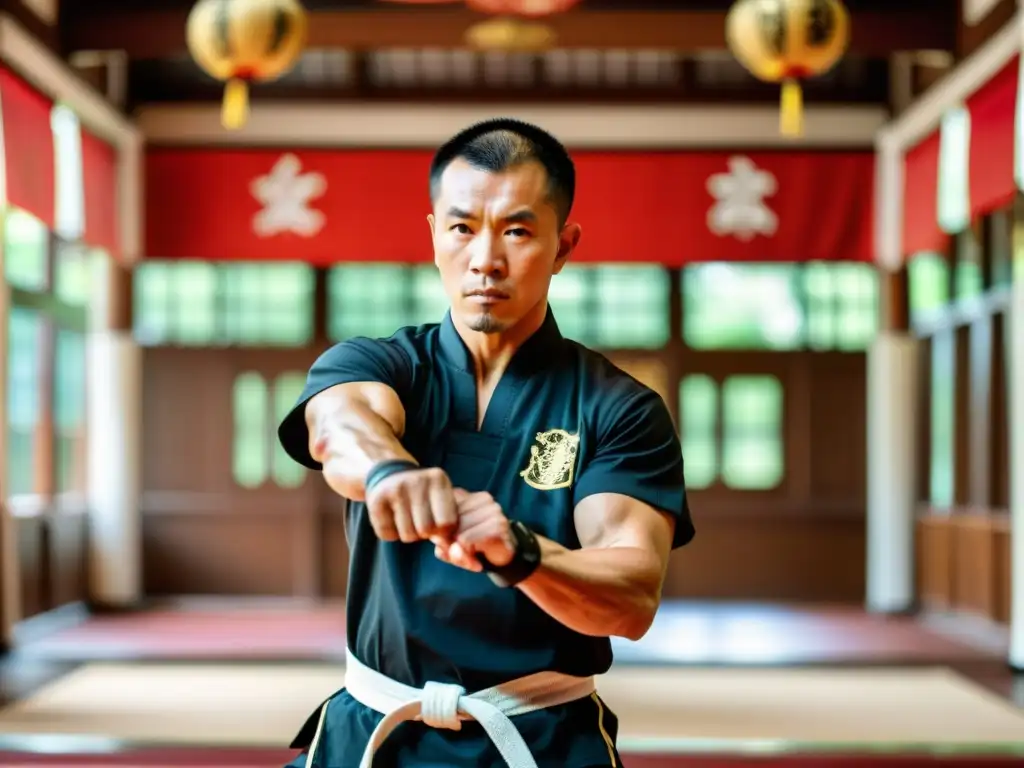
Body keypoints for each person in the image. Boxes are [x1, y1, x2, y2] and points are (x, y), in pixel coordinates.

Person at [277, 118, 695, 768]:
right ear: (433, 235)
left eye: (518, 231)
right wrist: (390, 473)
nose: (485, 260)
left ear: (564, 246)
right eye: (462, 227)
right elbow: (341, 427)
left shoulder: (618, 408)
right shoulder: (379, 364)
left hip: (545, 739)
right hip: (373, 730)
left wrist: (521, 553)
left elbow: (633, 590)